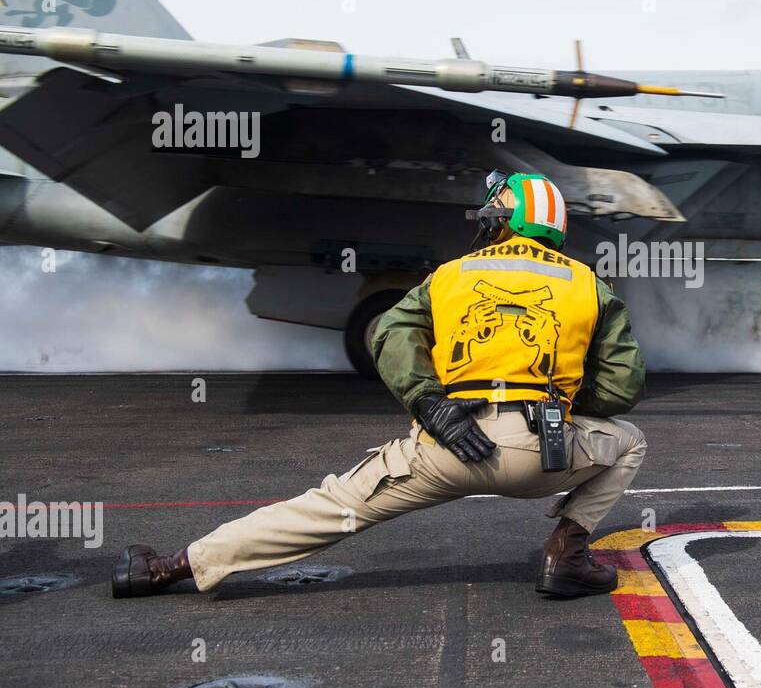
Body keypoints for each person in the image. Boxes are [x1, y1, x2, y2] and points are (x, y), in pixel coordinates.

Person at [111, 170, 647, 599]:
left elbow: (389, 333)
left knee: (328, 509)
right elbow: (622, 386)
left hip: (447, 445)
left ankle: (165, 568)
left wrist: (429, 402)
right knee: (630, 440)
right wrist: (556, 402)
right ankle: (566, 555)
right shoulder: (590, 285)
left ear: (499, 222)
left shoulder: (450, 275)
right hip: (545, 456)